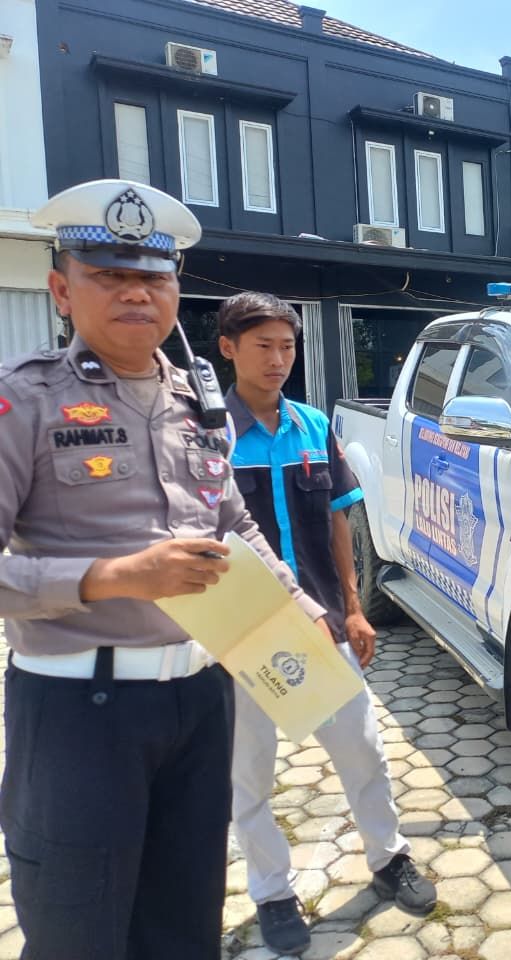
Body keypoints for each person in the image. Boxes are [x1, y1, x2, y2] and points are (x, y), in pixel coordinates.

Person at [0, 179, 329, 960]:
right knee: (80, 930)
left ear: (176, 292)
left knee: (184, 922)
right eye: (109, 276)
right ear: (61, 291)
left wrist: (297, 603)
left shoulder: (198, 401)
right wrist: (113, 576)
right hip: (80, 710)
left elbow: (231, 521)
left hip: (201, 698)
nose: (136, 294)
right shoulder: (26, 400)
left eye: (153, 277)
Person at [216, 292, 436, 954]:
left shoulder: (313, 426)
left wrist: (354, 606)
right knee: (249, 774)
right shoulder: (208, 436)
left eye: (287, 346)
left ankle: (389, 857)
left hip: (321, 624)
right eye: (263, 346)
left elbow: (340, 520)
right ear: (228, 348)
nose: (278, 359)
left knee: (363, 747)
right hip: (242, 634)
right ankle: (272, 892)